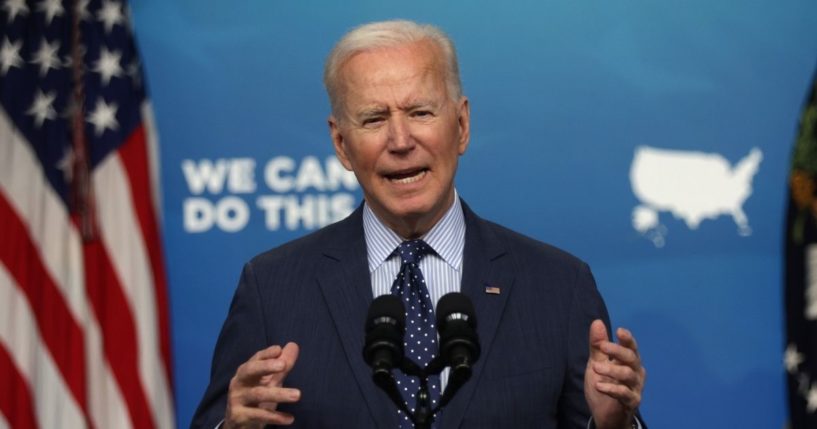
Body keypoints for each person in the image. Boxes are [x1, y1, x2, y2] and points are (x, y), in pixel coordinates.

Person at [192, 20, 646, 429]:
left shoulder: (558, 286)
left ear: (462, 124)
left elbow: (603, 418)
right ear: (342, 144)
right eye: (374, 118)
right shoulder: (273, 288)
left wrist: (612, 428)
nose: (401, 140)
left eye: (420, 113)